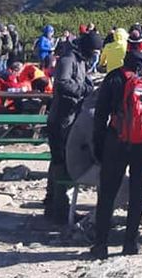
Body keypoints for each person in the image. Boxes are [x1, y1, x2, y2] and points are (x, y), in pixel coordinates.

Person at [90, 46, 142, 259]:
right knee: (138, 193)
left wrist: (99, 145)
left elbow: (100, 114)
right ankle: (131, 242)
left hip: (116, 141)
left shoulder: (114, 77)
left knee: (108, 193)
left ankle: (101, 244)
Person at [44, 33, 95, 222]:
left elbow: (82, 80)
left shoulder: (80, 59)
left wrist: (89, 85)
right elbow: (63, 83)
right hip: (61, 118)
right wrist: (82, 90)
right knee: (61, 161)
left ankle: (53, 203)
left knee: (60, 160)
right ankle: (59, 208)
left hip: (71, 115)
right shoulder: (68, 59)